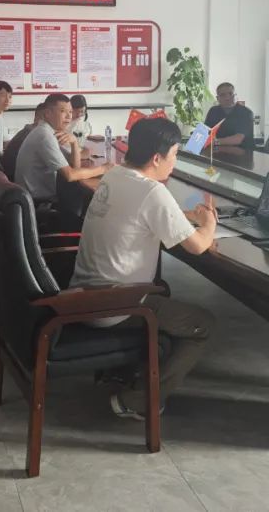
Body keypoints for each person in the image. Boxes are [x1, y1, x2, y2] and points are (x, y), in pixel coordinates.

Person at [70, 117, 217, 419]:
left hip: (82, 295)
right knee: (202, 324)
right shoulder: (153, 192)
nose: (175, 162)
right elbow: (198, 246)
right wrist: (209, 224)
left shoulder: (115, 175)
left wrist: (184, 215)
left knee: (163, 291)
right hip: (116, 304)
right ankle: (137, 400)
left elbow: (146, 212)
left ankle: (120, 372)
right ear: (156, 158)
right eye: (174, 154)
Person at [15, 93, 112, 203]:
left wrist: (74, 142)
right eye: (63, 111)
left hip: (36, 196)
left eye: (70, 111)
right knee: (93, 196)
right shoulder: (44, 136)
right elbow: (71, 175)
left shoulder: (47, 131)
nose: (69, 116)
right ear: (48, 113)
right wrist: (103, 169)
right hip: (39, 201)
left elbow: (74, 166)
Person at [204, 82, 255, 151]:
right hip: (217, 152)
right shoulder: (213, 111)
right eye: (223, 95)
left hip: (242, 154)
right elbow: (206, 132)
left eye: (230, 94)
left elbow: (237, 139)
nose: (227, 98)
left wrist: (214, 142)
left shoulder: (246, 112)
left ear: (235, 95)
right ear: (217, 98)